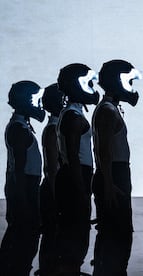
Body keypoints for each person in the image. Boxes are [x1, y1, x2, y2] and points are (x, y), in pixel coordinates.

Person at [91, 59, 142, 275]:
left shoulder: (108, 109)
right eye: (129, 81)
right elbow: (104, 151)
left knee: (114, 235)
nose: (132, 87)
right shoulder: (107, 111)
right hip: (113, 177)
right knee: (118, 236)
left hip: (113, 176)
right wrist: (110, 185)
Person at [55, 63, 99, 274]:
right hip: (75, 176)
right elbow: (72, 155)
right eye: (87, 82)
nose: (92, 87)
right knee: (76, 232)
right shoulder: (72, 117)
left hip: (74, 175)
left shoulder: (70, 113)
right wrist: (81, 189)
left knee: (75, 231)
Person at [0, 81, 45, 275]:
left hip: (24, 184)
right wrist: (24, 199)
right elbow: (18, 169)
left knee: (20, 230)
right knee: (22, 231)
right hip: (24, 185)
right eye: (35, 99)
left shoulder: (20, 126)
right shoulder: (19, 129)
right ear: (25, 100)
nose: (39, 104)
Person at [38, 83, 64, 275]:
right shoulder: (53, 129)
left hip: (53, 188)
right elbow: (52, 168)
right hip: (53, 190)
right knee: (52, 236)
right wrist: (58, 197)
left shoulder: (53, 128)